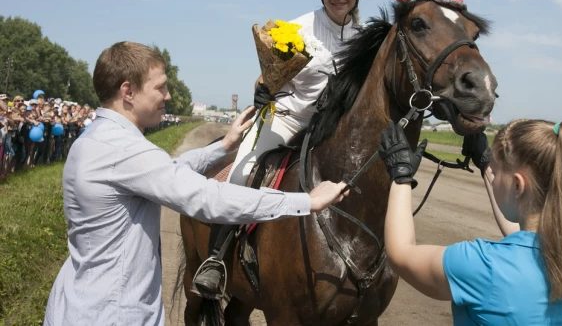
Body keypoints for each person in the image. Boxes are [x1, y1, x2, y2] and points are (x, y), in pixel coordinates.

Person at [43, 41, 348, 326]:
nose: (168, 96)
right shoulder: (126, 150)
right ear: (128, 92)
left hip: (77, 302)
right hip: (115, 313)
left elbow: (164, 172)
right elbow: (208, 198)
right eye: (160, 87)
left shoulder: (96, 139)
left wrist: (222, 146)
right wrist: (304, 202)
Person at [193, 0, 366, 291]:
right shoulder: (296, 29)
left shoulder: (365, 39)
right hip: (286, 121)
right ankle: (216, 257)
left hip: (332, 131)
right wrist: (261, 91)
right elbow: (267, 77)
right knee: (242, 170)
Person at [380, 119, 562, 325]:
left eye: (496, 169)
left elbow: (401, 254)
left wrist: (401, 175)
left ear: (517, 185)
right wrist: (485, 165)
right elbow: (526, 242)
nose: (493, 179)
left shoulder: (483, 266)